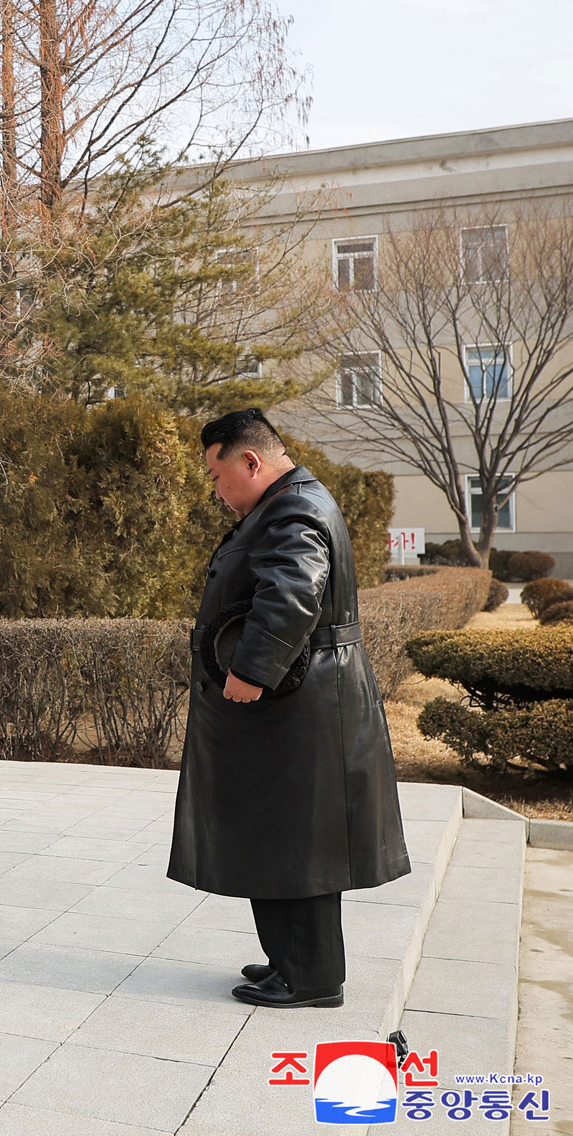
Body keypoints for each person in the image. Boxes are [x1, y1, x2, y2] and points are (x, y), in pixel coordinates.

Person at [169, 408, 410, 1008]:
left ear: (250, 462)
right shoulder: (287, 502)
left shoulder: (294, 509)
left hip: (299, 707)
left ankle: (309, 978)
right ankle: (289, 960)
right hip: (296, 705)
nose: (217, 491)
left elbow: (293, 591)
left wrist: (251, 669)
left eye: (218, 476)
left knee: (299, 840)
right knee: (277, 835)